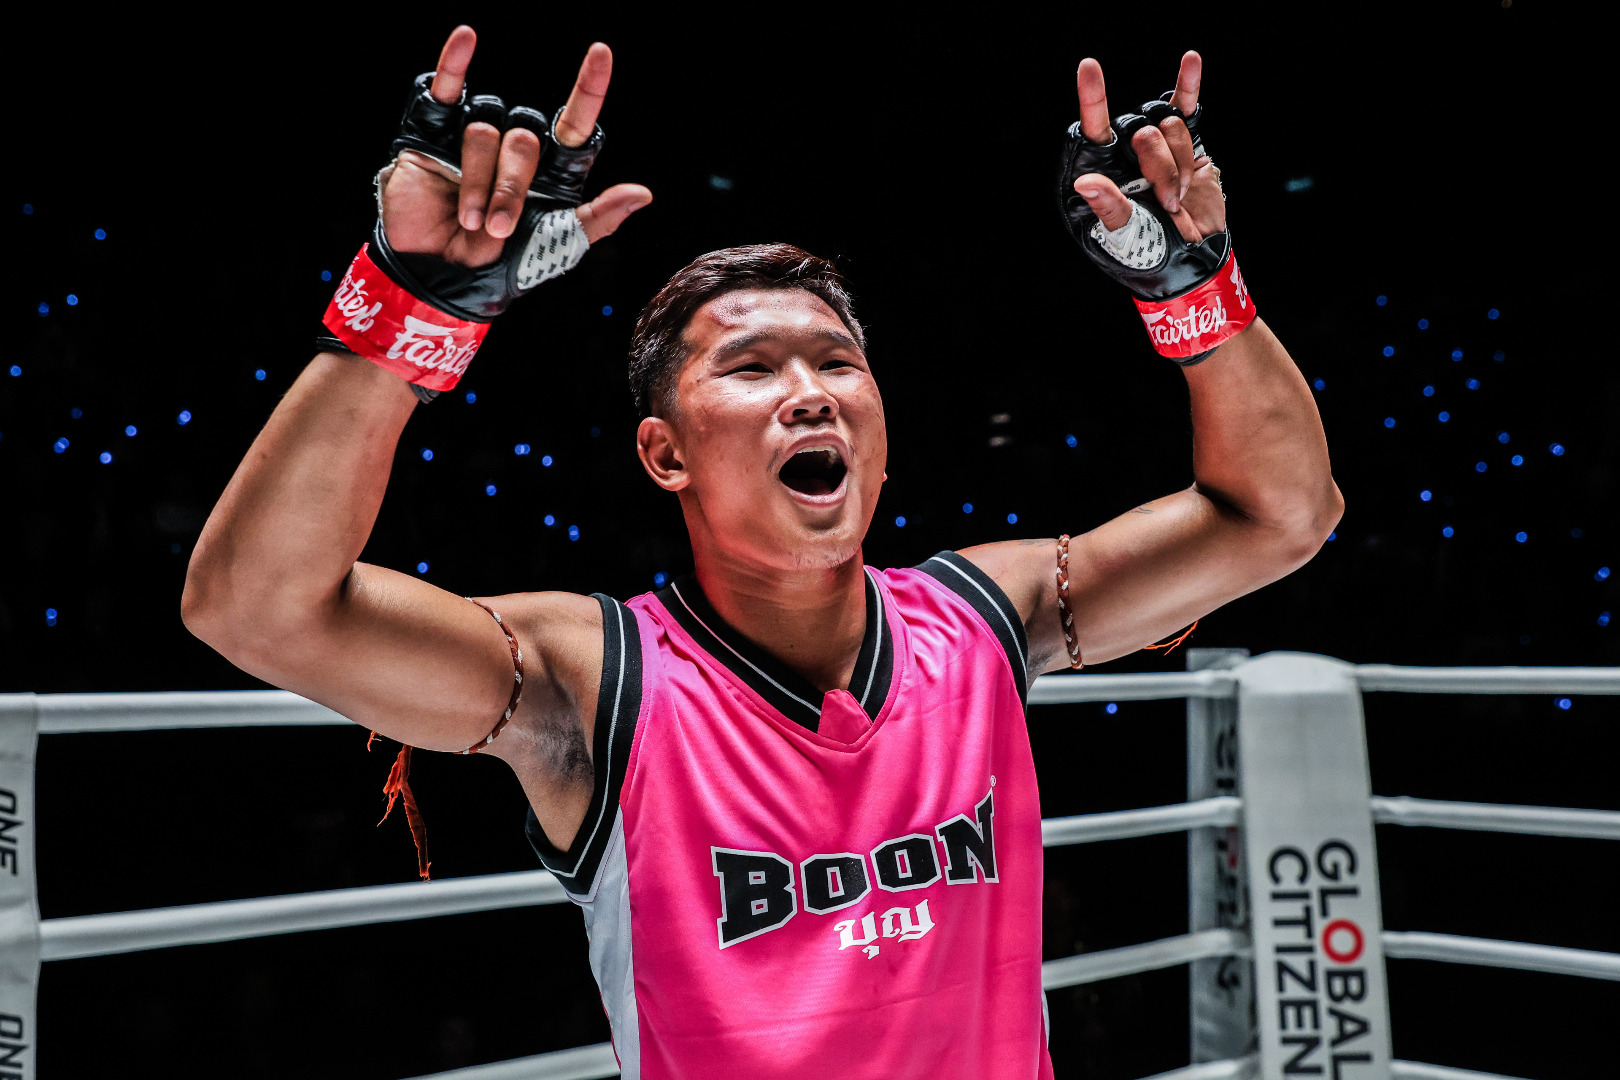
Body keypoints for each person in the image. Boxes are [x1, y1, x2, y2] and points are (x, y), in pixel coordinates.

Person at [181, 24, 1341, 1079]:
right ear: (665, 453)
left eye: (837, 363)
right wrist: (411, 311)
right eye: (750, 369)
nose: (811, 393)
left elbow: (1283, 516)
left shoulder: (985, 613)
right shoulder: (596, 680)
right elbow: (255, 608)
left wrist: (1197, 289)